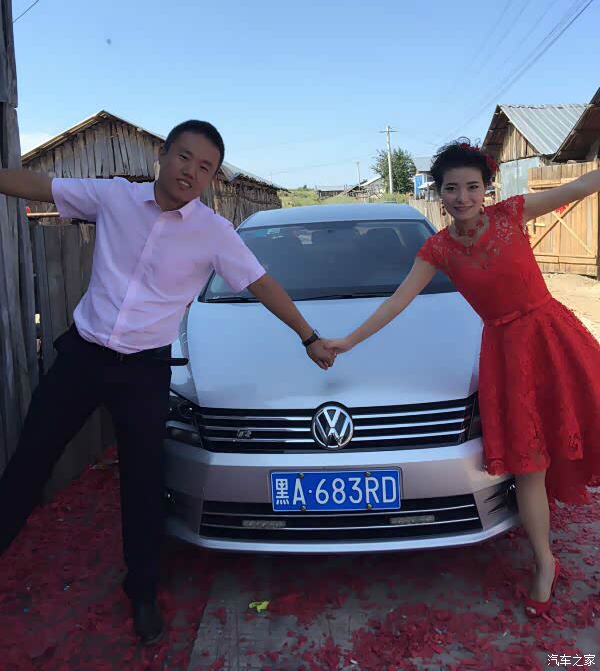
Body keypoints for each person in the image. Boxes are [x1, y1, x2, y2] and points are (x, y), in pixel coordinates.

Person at [0, 120, 335, 644]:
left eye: (205, 168)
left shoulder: (214, 232)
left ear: (211, 178)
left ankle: (142, 592)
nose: (190, 172)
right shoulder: (114, 197)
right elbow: (41, 185)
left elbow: (262, 283)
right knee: (31, 459)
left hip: (144, 372)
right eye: (184, 157)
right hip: (82, 358)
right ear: (163, 155)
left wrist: (308, 336)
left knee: (142, 483)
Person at [325, 140, 600, 618]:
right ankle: (544, 562)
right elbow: (397, 302)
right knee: (528, 466)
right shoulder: (438, 249)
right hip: (506, 357)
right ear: (439, 193)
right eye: (451, 188)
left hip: (552, 338)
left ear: (487, 188)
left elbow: (582, 185)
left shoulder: (513, 214)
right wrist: (348, 341)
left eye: (472, 186)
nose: (463, 197)